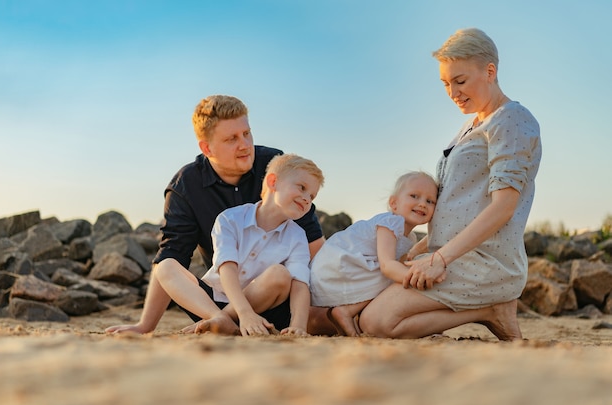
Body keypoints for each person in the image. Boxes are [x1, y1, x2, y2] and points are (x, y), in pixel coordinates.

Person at [359, 28, 542, 341]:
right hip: (453, 256)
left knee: (377, 322)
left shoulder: (511, 119)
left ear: (490, 71)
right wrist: (419, 250)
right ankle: (486, 310)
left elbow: (504, 206)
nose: (453, 92)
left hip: (486, 262)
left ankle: (490, 309)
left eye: (460, 81)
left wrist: (438, 259)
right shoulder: (471, 125)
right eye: (446, 83)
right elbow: (456, 206)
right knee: (370, 307)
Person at [106, 95, 333, 335]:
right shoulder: (185, 186)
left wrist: (308, 314)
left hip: (272, 298)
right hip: (215, 297)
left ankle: (224, 322)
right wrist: (145, 326)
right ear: (207, 148)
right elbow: (172, 255)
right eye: (231, 139)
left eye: (247, 133)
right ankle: (218, 319)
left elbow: (313, 246)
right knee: (165, 266)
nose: (244, 144)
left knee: (314, 308)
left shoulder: (276, 166)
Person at [310, 172, 438, 336]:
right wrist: (416, 278)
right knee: (391, 272)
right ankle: (346, 310)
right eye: (414, 196)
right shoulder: (390, 222)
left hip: (344, 265)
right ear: (394, 203)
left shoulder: (409, 236)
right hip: (338, 263)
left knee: (393, 273)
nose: (422, 204)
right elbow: (387, 265)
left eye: (430, 201)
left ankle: (346, 314)